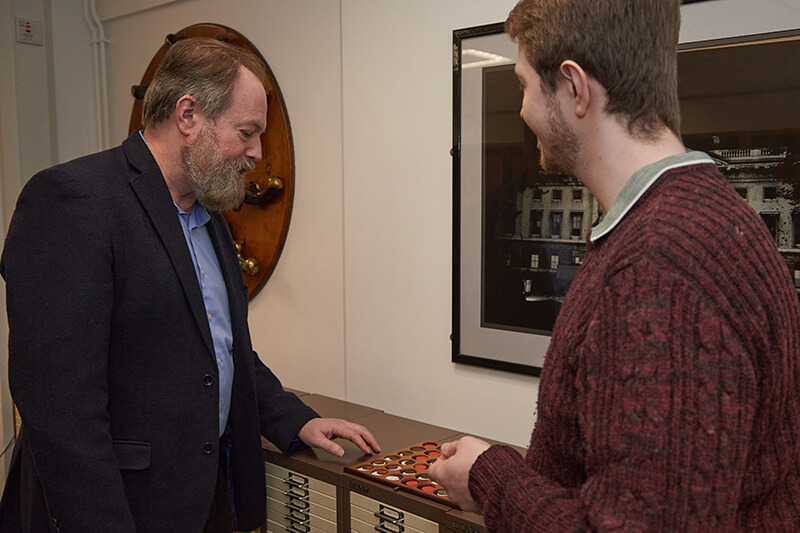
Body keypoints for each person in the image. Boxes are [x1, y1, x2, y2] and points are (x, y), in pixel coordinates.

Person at [430, 1, 800, 531]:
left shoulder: (661, 263)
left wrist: (490, 477)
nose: (522, 109)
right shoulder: (710, 218)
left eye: (525, 84)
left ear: (574, 88)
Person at [0, 37, 379, 532]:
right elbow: (59, 408)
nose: (257, 152)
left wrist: (295, 419)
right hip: (121, 510)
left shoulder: (210, 213)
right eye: (247, 131)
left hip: (207, 499)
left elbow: (222, 353)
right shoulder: (72, 201)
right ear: (188, 116)